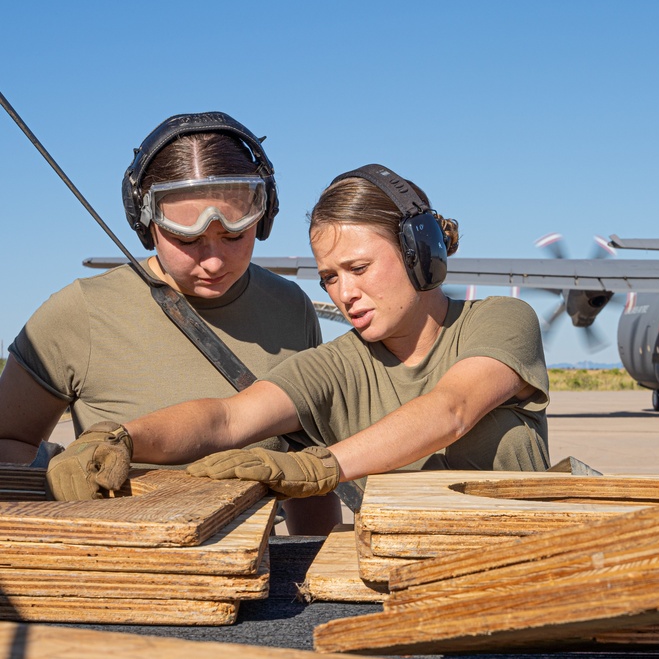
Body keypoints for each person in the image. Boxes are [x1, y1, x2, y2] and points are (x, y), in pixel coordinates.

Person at [46, 163, 551, 502]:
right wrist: (123, 437)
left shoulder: (498, 322)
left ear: (421, 255)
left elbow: (452, 410)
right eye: (330, 277)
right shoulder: (340, 365)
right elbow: (226, 419)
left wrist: (321, 465)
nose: (344, 293)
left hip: (531, 565)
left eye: (359, 267)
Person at [0, 112, 335, 529]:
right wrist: (54, 474)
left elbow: (306, 466)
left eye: (235, 236)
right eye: (186, 240)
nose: (213, 261)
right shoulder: (79, 313)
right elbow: (8, 441)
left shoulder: (291, 307)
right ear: (146, 224)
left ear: (263, 219)